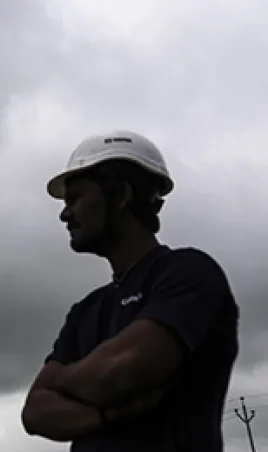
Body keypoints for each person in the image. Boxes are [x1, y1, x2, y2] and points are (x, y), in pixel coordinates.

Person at [20, 130, 239, 451]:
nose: (65, 214)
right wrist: (106, 416)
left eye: (75, 199)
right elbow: (35, 413)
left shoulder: (189, 273)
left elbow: (122, 371)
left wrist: (61, 381)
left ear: (121, 195)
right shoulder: (86, 309)